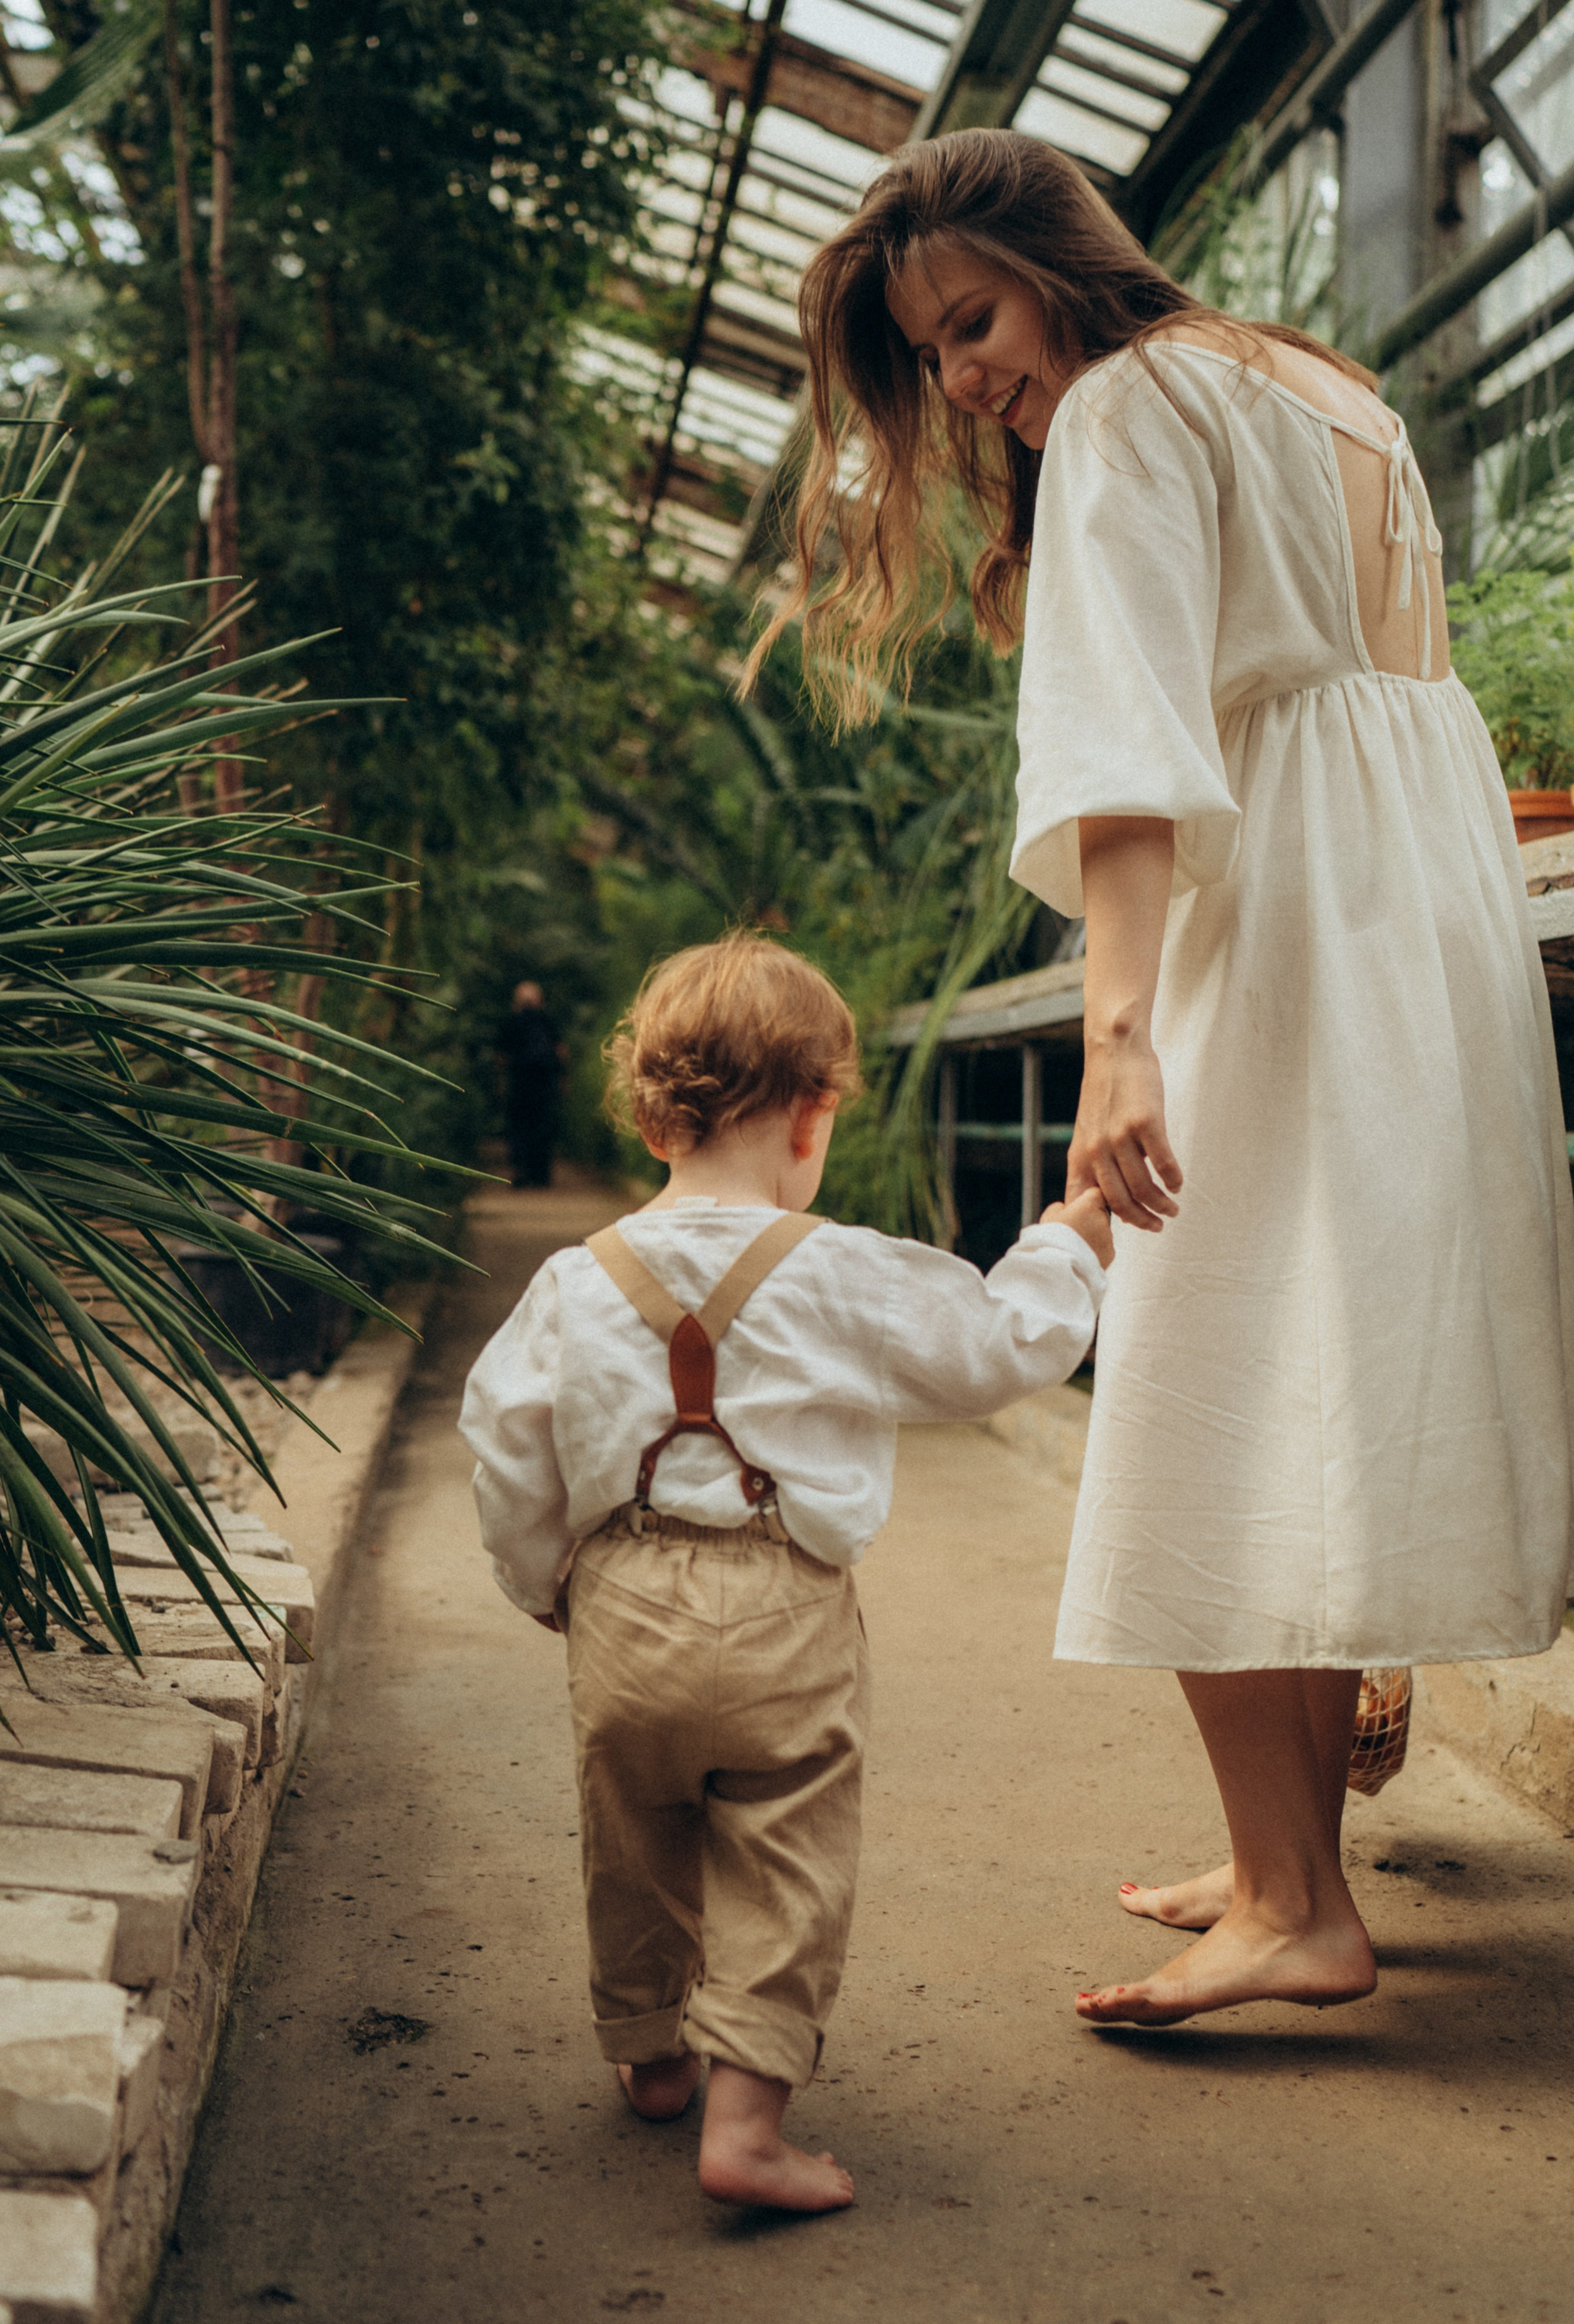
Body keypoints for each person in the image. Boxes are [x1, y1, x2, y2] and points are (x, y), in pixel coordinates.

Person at [748, 128, 1574, 2030]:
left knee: (1201, 1374)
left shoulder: (1120, 404)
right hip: (1416, 926)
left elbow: (1119, 757)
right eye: (931, 354)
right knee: (1309, 1368)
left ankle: (1295, 1900)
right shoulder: (1329, 390)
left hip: (1274, 934)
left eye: (972, 321)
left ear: (1061, 260)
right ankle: (1283, 1858)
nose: (963, 378)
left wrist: (1117, 1039)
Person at [457, 931, 1114, 2209]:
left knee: (633, 1835)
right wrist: (1065, 1244)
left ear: (651, 1111)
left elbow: (503, 1443)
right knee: (786, 1846)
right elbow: (997, 1344)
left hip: (623, 1604)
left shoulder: (566, 1284)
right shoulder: (840, 1267)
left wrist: (544, 1578)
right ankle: (746, 2121)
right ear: (814, 1112)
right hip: (784, 1610)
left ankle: (650, 2055)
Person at [496, 980, 561, 1189]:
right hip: (544, 1085)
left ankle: (521, 1172)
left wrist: (501, 1082)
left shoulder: (511, 1021)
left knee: (519, 1129)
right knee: (542, 1128)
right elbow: (561, 1051)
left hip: (519, 1085)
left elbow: (501, 1057)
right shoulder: (547, 1020)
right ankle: (541, 1175)